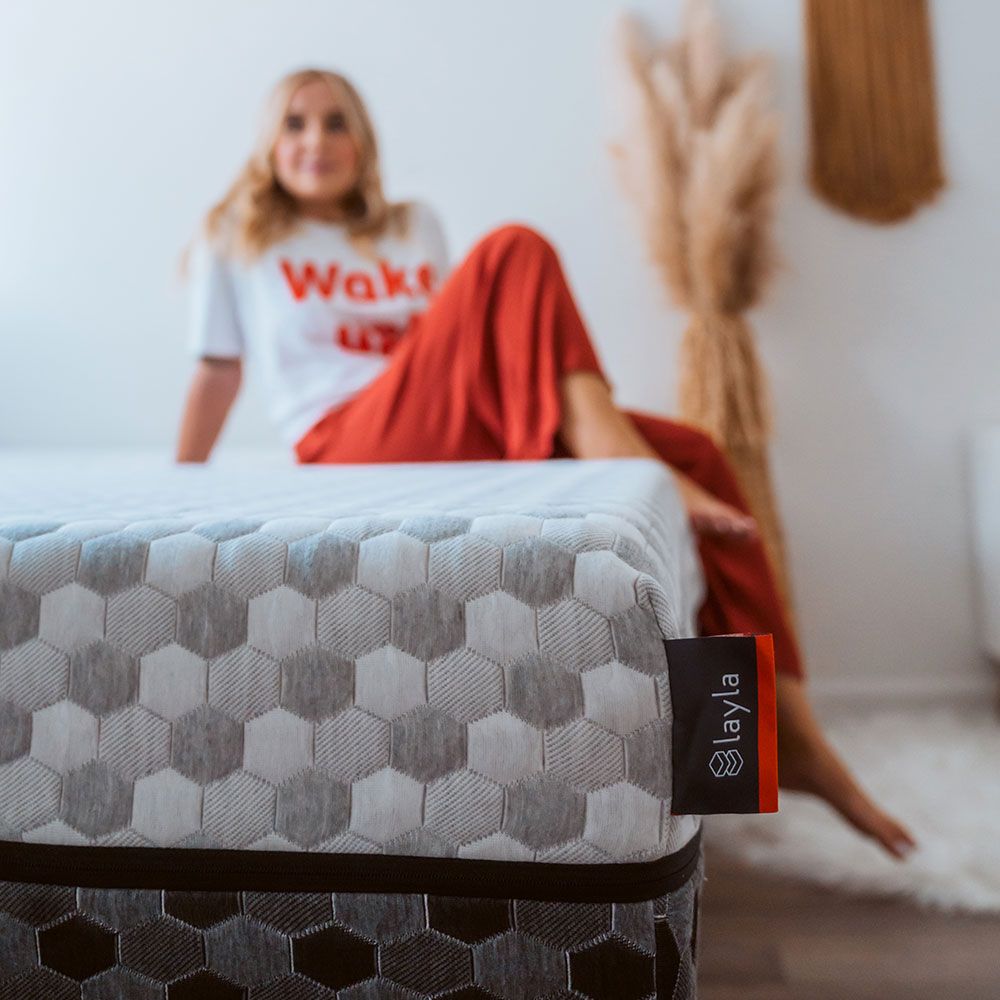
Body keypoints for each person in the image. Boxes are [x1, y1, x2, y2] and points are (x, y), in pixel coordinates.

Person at [177, 68, 915, 859]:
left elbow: (467, 347)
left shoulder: (410, 225)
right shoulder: (238, 235)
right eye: (294, 123)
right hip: (347, 441)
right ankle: (605, 440)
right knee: (512, 250)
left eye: (336, 123)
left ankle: (777, 732)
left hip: (448, 426)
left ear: (363, 140)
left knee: (696, 453)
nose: (315, 140)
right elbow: (219, 370)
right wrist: (179, 482)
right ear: (269, 142)